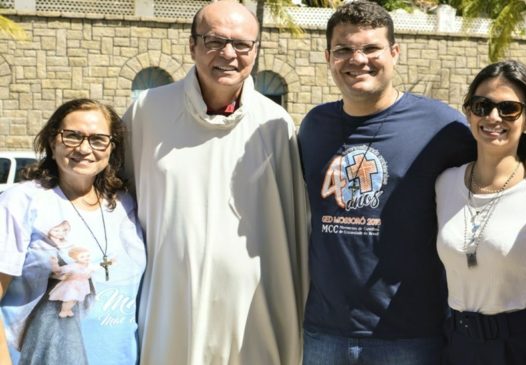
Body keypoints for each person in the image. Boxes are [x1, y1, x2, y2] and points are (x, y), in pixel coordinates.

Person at [122, 1, 308, 364]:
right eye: (214, 41)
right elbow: (118, 200)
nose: (228, 54)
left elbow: (292, 229)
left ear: (255, 51)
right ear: (192, 45)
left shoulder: (275, 123)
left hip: (252, 311)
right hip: (169, 305)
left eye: (242, 44)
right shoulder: (148, 112)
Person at [297, 1, 476, 363]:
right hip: (322, 332)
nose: (357, 59)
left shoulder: (443, 128)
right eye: (344, 49)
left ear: (395, 52)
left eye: (371, 48)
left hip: (409, 336)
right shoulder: (314, 126)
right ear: (328, 56)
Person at [0, 98, 146, 365]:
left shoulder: (127, 204)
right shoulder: (22, 201)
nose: (84, 148)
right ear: (52, 141)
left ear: (112, 148)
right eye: (72, 136)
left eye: (98, 139)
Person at [435, 60, 526, 364]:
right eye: (482, 105)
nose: (493, 117)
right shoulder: (445, 183)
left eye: (508, 109)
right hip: (457, 345)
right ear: (469, 112)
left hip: (522, 346)